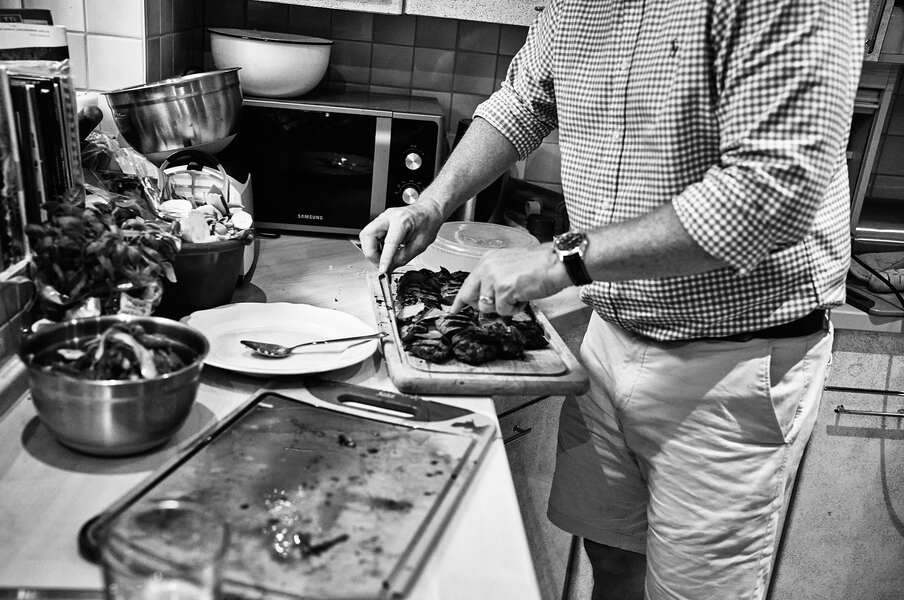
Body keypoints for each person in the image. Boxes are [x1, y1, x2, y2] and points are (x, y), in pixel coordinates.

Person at [359, 1, 864, 597]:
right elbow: (525, 102)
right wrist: (431, 205)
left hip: (733, 365)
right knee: (611, 557)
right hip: (610, 335)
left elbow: (768, 194)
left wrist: (559, 262)